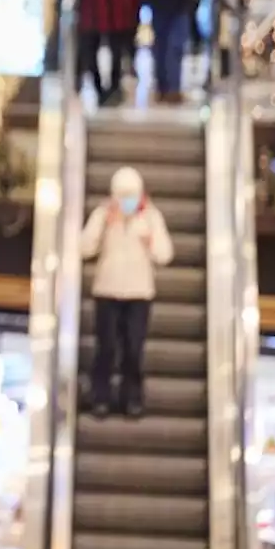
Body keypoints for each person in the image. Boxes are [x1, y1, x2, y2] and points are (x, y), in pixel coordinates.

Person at [80, 166, 174, 418]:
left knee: (133, 349)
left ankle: (132, 398)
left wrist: (150, 239)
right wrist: (102, 226)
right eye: (122, 195)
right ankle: (100, 397)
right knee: (106, 347)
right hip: (107, 292)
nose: (127, 201)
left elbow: (165, 255)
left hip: (139, 295)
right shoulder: (102, 214)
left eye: (132, 194)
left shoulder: (152, 217)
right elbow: (84, 248)